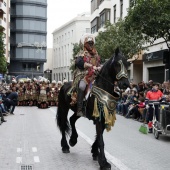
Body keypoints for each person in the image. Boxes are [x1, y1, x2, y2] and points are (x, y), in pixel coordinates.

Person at [74, 34, 101, 116]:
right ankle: (79, 109)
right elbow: (79, 63)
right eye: (89, 43)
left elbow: (99, 64)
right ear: (85, 44)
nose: (90, 45)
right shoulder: (82, 53)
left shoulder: (96, 54)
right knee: (82, 86)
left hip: (95, 74)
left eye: (91, 43)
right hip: (84, 74)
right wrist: (89, 66)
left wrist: (99, 67)